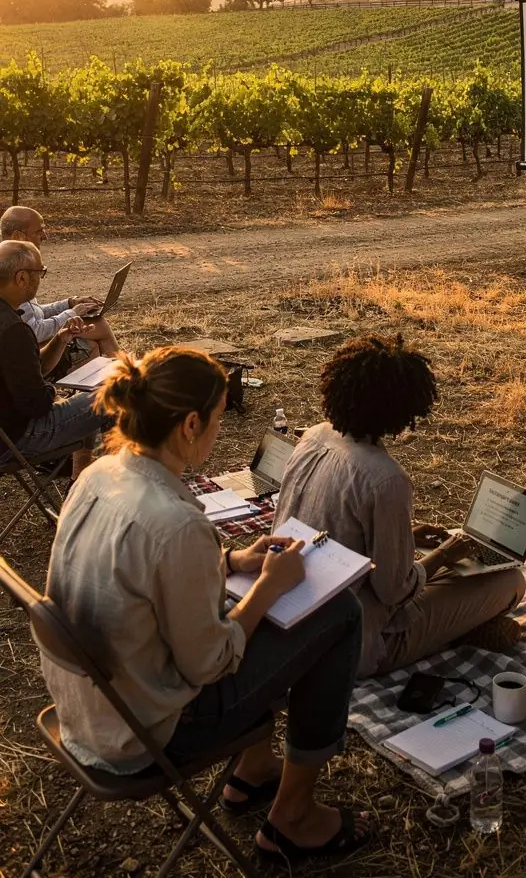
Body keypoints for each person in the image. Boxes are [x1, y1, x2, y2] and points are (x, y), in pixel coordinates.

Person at [38, 346, 369, 865]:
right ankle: (295, 816)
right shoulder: (175, 523)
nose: (218, 429)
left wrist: (232, 560)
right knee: (340, 613)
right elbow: (211, 662)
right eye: (218, 418)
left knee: (255, 612)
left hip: (91, 708)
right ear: (190, 424)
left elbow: (141, 574)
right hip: (150, 732)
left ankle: (255, 769)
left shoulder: (99, 475)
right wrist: (268, 588)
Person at [274, 334, 526, 678]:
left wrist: (406, 535)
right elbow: (394, 589)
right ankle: (465, 631)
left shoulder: (313, 437)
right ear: (404, 409)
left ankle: (463, 627)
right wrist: (442, 556)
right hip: (354, 644)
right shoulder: (385, 479)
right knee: (509, 581)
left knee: (452, 577)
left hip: (289, 616)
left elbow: (334, 531)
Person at [0, 240, 108, 477]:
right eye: (41, 272)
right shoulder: (12, 329)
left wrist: (60, 339)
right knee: (119, 393)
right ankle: (112, 482)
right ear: (21, 278)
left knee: (90, 398)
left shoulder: (9, 320)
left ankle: (81, 479)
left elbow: (28, 370)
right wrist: (54, 393)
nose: (41, 278)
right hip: (17, 439)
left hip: (7, 430)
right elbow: (37, 404)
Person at [0, 206, 119, 376]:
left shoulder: (11, 263)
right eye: (39, 231)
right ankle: (127, 382)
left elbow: (34, 313)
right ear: (18, 236)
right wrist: (70, 314)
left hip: (33, 345)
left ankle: (103, 388)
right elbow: (32, 331)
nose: (45, 236)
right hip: (29, 352)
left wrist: (69, 303)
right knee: (98, 325)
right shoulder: (14, 270)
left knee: (91, 345)